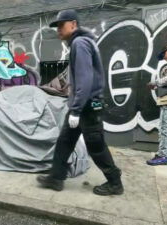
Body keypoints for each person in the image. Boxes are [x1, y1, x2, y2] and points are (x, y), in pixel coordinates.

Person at [36, 9, 124, 196]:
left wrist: (75, 110)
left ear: (73, 24)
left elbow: (85, 80)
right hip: (81, 105)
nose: (58, 29)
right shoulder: (81, 42)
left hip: (87, 106)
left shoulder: (80, 43)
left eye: (61, 25)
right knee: (64, 141)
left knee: (96, 145)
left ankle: (115, 181)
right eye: (57, 26)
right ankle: (56, 177)